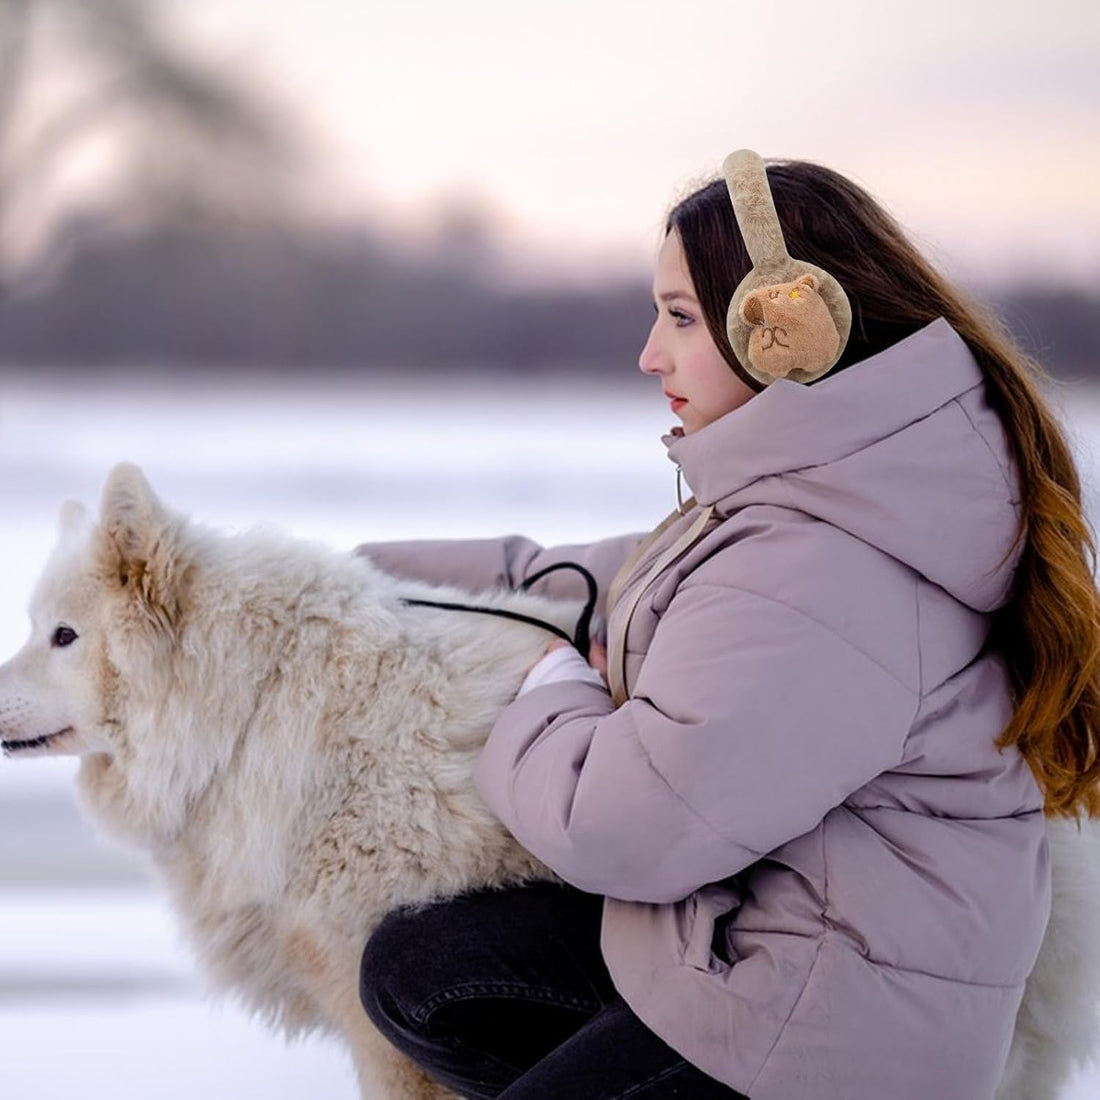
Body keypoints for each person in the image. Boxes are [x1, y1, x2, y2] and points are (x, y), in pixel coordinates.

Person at [356, 158, 1100, 1099]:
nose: (649, 355)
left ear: (788, 330)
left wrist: (555, 689)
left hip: (830, 1039)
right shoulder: (832, 488)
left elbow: (619, 829)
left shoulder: (829, 564)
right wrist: (338, 578)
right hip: (781, 947)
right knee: (423, 969)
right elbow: (595, 575)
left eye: (678, 317)